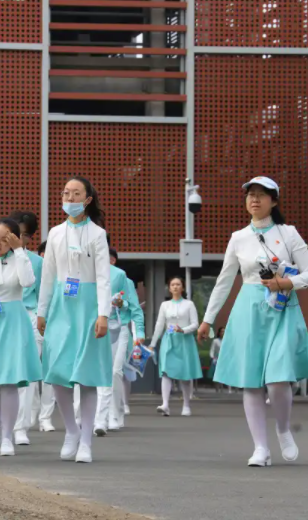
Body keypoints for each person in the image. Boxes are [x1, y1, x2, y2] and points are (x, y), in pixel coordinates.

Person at [197, 176, 308, 467]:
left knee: (278, 379)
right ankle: (260, 449)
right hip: (249, 310)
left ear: (274, 201)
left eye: (262, 195)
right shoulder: (238, 237)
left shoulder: (288, 233)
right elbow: (224, 281)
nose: (254, 199)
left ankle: (283, 428)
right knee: (251, 381)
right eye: (250, 194)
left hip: (283, 308)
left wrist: (286, 283)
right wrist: (207, 320)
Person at [37, 177, 111, 464]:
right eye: (66, 193)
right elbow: (47, 275)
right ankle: (71, 429)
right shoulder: (55, 233)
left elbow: (104, 276)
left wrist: (103, 313)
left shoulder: (97, 234)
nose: (69, 197)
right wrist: (42, 311)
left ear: (88, 199)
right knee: (57, 373)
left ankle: (86, 441)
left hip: (88, 306)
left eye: (76, 193)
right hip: (62, 306)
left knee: (86, 376)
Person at [0, 218, 42, 456]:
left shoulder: (20, 258)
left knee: (9, 382)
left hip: (13, 320)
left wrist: (19, 251)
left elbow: (27, 281)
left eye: (5, 238)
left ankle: (8, 434)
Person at [9, 211, 56, 443]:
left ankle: (21, 426)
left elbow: (43, 295)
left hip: (29, 317)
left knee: (25, 374)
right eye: (14, 232)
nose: (18, 238)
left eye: (24, 235)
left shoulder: (37, 262)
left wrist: (42, 318)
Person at [94, 248, 144, 434]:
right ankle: (102, 416)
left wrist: (139, 333)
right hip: (96, 327)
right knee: (100, 371)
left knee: (115, 371)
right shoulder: (89, 274)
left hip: (120, 327)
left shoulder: (121, 276)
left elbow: (135, 309)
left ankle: (115, 414)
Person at [149, 276, 202, 416]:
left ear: (183, 287)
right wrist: (153, 344)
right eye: (173, 284)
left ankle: (186, 405)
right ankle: (165, 404)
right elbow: (159, 325)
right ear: (169, 287)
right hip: (169, 340)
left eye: (178, 284)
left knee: (185, 374)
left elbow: (195, 324)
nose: (175, 287)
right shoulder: (164, 305)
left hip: (184, 340)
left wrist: (183, 330)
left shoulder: (189, 304)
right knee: (166, 371)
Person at [208, 327, 231, 393]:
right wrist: (212, 357)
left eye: (224, 331)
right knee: (217, 374)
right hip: (217, 359)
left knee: (227, 373)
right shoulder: (215, 341)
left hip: (226, 359)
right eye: (221, 331)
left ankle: (229, 389)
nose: (223, 333)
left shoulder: (228, 340)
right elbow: (212, 350)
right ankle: (217, 388)